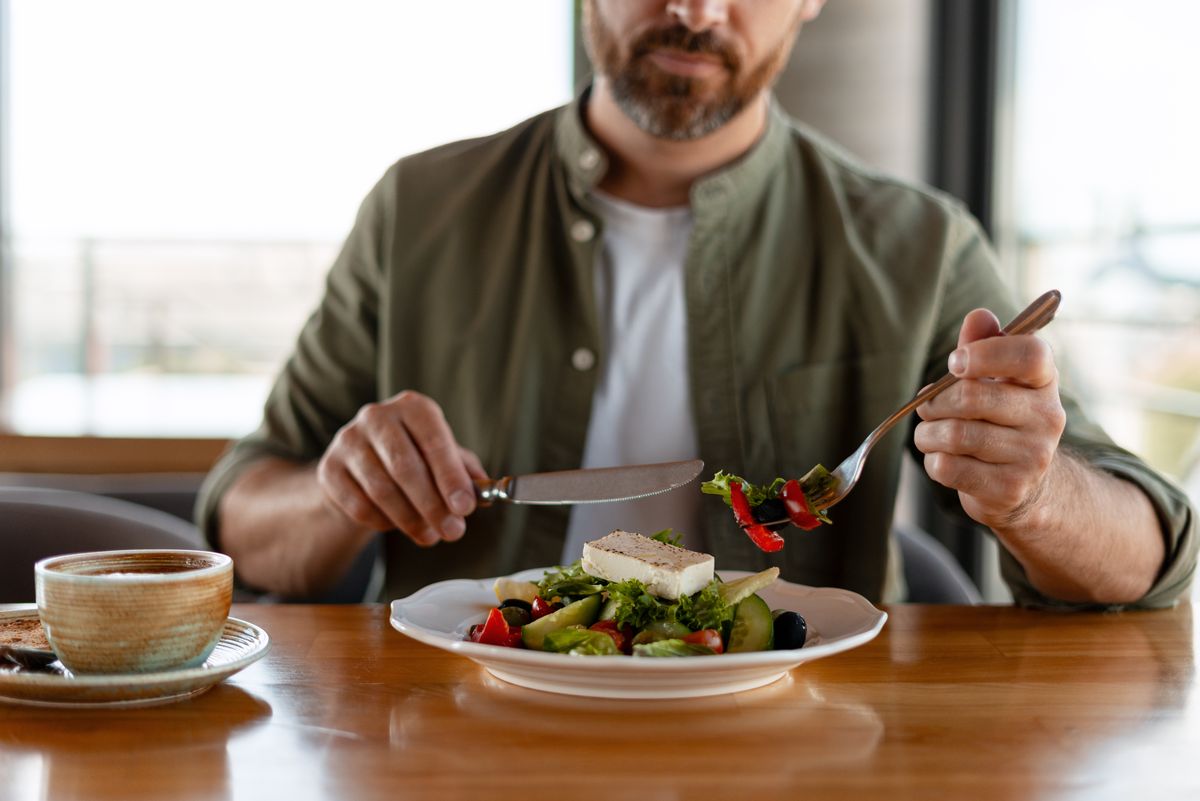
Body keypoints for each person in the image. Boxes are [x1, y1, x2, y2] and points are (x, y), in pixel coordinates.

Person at [197, 0, 1195, 607]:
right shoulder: (420, 208)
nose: (697, 7)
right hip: (461, 737)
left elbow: (1154, 556)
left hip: (798, 760)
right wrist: (341, 492)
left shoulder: (918, 245)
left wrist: (1034, 493)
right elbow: (244, 516)